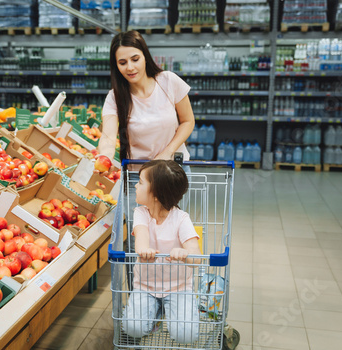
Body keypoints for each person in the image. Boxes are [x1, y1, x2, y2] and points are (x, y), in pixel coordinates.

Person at [122, 160, 201, 344]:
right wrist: (144, 250)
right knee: (132, 328)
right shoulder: (140, 213)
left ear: (156, 194)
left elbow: (196, 257)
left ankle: (174, 309)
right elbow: (140, 241)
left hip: (178, 287)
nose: (135, 184)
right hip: (146, 286)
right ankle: (157, 313)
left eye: (141, 182)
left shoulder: (181, 219)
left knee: (186, 336)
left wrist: (185, 254)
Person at [97, 30, 195, 169]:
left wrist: (168, 152)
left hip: (173, 172)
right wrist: (105, 156)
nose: (130, 68)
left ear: (145, 56)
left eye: (135, 59)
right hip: (138, 175)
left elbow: (188, 121)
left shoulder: (168, 81)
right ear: (116, 66)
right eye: (123, 63)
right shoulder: (114, 97)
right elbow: (108, 137)